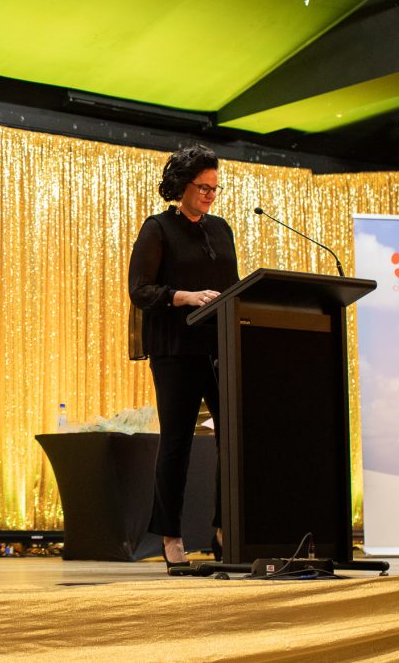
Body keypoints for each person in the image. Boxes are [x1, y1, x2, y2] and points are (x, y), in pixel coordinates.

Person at [128, 144, 239, 570]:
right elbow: (140, 290)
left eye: (215, 187)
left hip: (218, 348)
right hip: (176, 350)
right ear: (182, 186)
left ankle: (224, 529)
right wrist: (184, 297)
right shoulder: (158, 229)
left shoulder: (222, 229)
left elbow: (231, 286)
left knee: (233, 440)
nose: (211, 194)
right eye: (203, 187)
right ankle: (171, 536)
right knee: (177, 443)